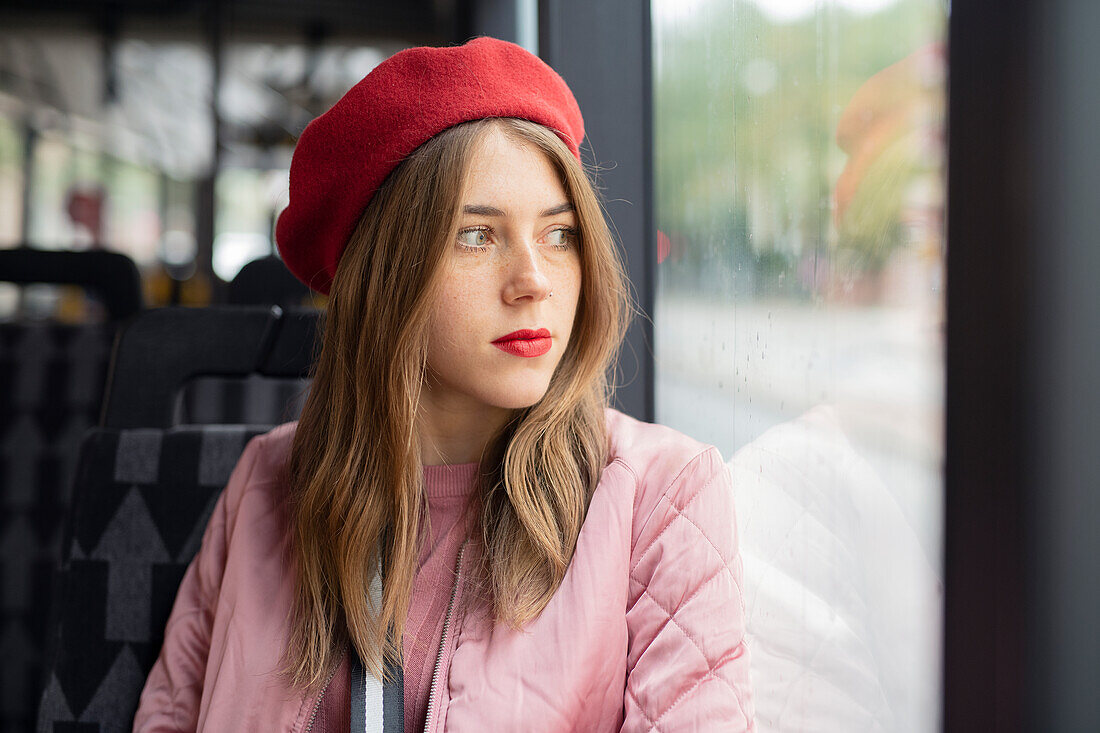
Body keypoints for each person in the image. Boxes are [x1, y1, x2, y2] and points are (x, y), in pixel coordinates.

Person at [133, 36, 754, 732]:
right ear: (382, 278)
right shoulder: (266, 483)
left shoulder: (660, 495)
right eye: (477, 236)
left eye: (559, 235)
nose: (534, 281)